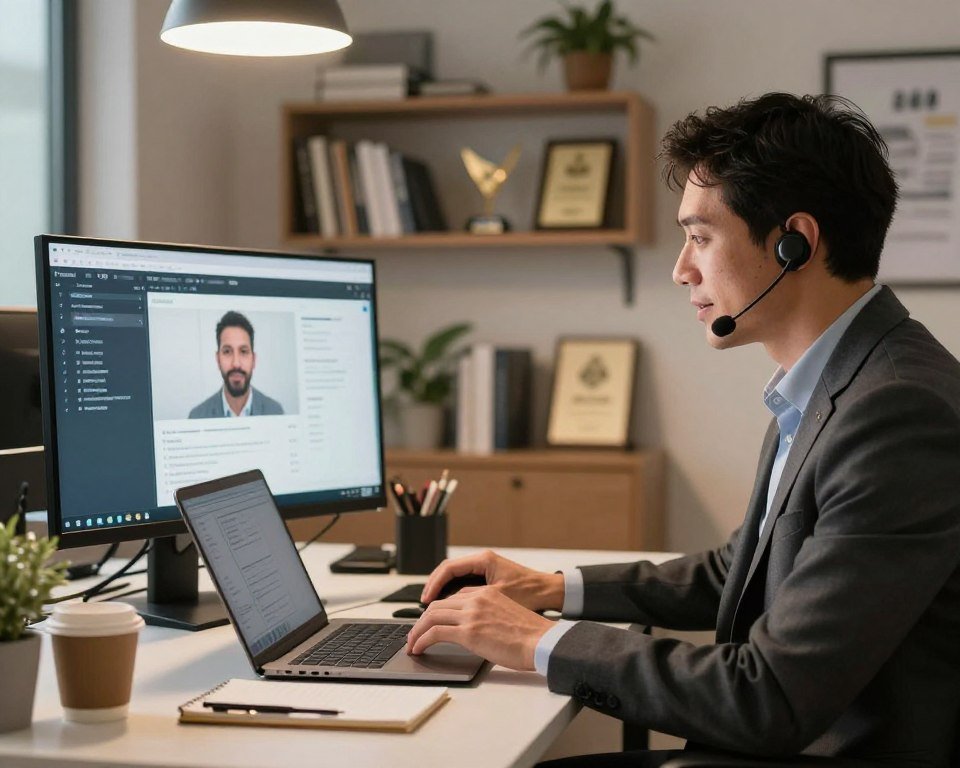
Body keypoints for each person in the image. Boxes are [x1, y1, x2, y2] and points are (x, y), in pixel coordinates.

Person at [405, 93, 960, 767]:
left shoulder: (897, 413)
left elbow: (771, 696)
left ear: (796, 244)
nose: (681, 269)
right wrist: (552, 588)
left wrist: (537, 641)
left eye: (700, 238)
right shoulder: (845, 377)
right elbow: (741, 567)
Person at [189, 310, 284, 418]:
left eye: (243, 351)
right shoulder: (197, 417)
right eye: (227, 352)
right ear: (218, 360)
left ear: (254, 360)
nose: (236, 364)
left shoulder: (275, 412)